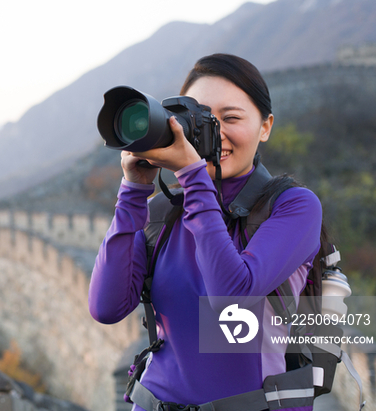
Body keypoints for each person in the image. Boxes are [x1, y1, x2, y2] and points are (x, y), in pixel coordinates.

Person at [88, 53, 322, 411]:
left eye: (231, 118)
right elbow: (106, 307)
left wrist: (194, 178)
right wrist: (133, 191)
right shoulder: (160, 217)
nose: (216, 132)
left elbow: (232, 296)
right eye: (203, 120)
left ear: (265, 126)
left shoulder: (293, 207)